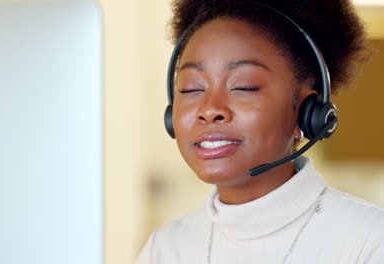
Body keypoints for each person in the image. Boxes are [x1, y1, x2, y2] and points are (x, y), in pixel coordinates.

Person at [135, 0, 384, 263]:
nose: (210, 110)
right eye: (191, 88)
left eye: (244, 86)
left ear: (307, 113)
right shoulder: (164, 249)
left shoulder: (369, 242)